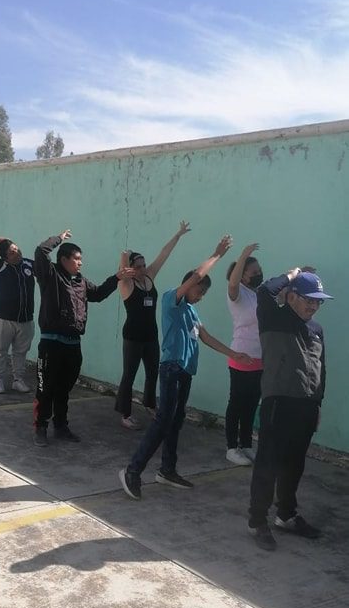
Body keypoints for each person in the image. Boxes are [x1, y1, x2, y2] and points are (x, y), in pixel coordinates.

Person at [119, 235, 252, 499]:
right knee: (163, 420)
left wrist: (235, 353)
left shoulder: (191, 311)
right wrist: (216, 255)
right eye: (200, 291)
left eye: (203, 293)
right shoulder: (171, 298)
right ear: (189, 286)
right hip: (171, 369)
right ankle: (132, 471)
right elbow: (195, 277)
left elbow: (206, 337)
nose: (201, 297)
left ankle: (167, 470)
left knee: (175, 422)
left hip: (186, 372)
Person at [248, 269, 332, 551]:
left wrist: (317, 404)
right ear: (292, 297)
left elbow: (321, 368)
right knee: (268, 464)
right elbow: (265, 291)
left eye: (318, 302)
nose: (314, 306)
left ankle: (286, 515)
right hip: (279, 404)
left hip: (306, 407)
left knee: (294, 465)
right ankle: (257, 520)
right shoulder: (275, 318)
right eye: (309, 300)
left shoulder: (317, 329)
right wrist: (293, 273)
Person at [33, 229, 133, 447]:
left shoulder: (81, 281)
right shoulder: (49, 274)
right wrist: (58, 238)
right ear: (63, 259)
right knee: (46, 387)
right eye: (76, 259)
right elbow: (41, 251)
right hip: (51, 343)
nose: (80, 263)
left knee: (64, 389)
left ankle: (61, 426)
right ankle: (41, 426)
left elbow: (97, 294)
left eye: (81, 259)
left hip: (73, 345)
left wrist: (116, 278)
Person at [115, 221, 191, 429]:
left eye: (142, 265)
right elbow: (122, 267)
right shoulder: (126, 283)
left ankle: (149, 405)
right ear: (130, 268)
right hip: (132, 336)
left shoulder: (149, 276)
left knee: (152, 373)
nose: (141, 269)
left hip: (151, 335)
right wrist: (125, 255)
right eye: (137, 266)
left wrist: (178, 235)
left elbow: (163, 255)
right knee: (129, 375)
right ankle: (125, 413)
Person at [0, 235, 35, 393]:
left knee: (21, 352)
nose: (16, 253)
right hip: (2, 319)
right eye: (11, 252)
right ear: (4, 257)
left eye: (17, 249)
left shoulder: (28, 264)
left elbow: (47, 270)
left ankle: (18, 380)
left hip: (25, 319)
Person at [225, 243, 264, 466]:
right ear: (242, 276)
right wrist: (243, 254)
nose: (258, 274)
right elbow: (232, 281)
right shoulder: (237, 295)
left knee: (251, 404)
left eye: (259, 270)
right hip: (241, 356)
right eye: (254, 272)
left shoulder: (258, 295)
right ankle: (231, 447)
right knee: (237, 402)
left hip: (260, 359)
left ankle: (246, 444)